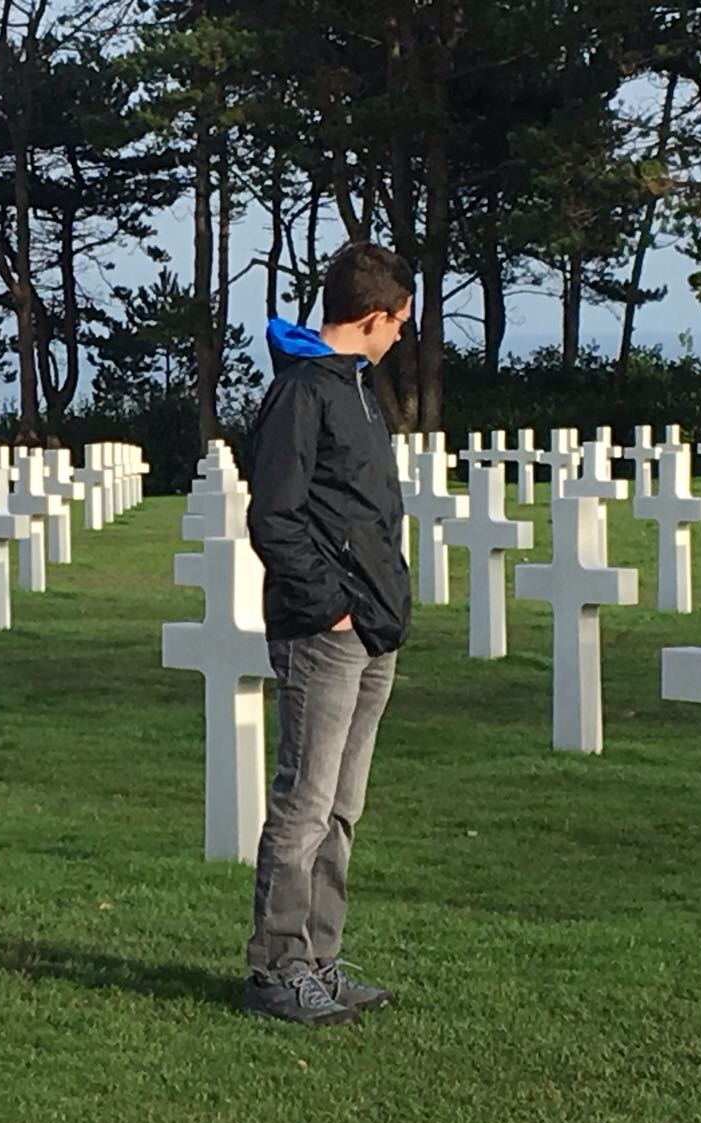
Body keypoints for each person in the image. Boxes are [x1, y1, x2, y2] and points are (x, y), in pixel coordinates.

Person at [242, 242, 415, 1026]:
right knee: (305, 804)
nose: (403, 337)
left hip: (372, 629)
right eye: (401, 323)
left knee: (343, 807)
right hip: (326, 632)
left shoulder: (356, 388)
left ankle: (320, 956)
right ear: (374, 317)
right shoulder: (304, 393)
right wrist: (330, 608)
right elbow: (274, 517)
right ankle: (278, 968)